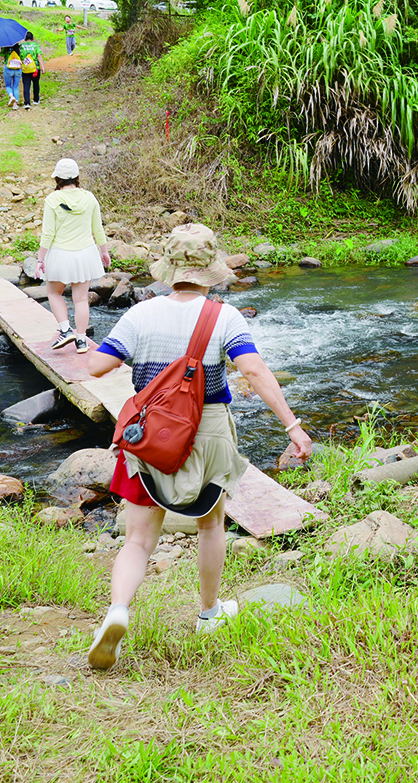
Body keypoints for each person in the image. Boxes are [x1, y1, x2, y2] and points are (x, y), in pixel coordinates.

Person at [81, 224, 311, 666]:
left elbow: (96, 367)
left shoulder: (139, 315)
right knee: (210, 523)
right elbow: (257, 373)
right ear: (210, 270)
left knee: (137, 538)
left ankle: (117, 612)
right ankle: (208, 613)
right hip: (207, 434)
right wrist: (292, 426)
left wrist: (93, 347)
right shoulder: (223, 316)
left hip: (147, 436)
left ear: (169, 268)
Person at [37, 157, 108, 349]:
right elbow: (98, 229)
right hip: (85, 254)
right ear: (76, 176)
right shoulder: (89, 197)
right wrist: (104, 252)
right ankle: (82, 340)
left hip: (61, 254)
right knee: (81, 299)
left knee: (53, 292)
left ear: (57, 178)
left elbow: (48, 233)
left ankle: (65, 330)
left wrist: (40, 259)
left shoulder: (52, 199)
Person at [19, 32, 42, 109]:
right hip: (35, 68)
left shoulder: (21, 46)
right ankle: (36, 100)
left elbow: (19, 57)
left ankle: (27, 103)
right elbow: (39, 56)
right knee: (36, 83)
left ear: (25, 39)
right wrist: (42, 67)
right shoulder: (36, 46)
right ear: (33, 38)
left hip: (25, 69)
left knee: (26, 85)